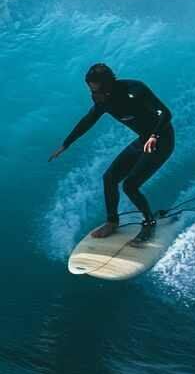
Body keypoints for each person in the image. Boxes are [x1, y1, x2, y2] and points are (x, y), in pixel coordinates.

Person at [49, 63, 174, 244]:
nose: (93, 94)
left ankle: (149, 222)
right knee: (109, 178)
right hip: (143, 140)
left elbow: (165, 113)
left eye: (96, 88)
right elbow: (88, 120)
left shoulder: (135, 90)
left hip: (162, 140)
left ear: (107, 85)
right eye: (90, 88)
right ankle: (112, 222)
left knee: (130, 185)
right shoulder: (103, 100)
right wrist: (66, 144)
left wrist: (154, 136)